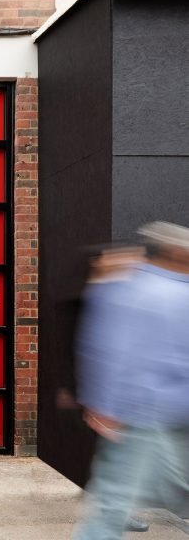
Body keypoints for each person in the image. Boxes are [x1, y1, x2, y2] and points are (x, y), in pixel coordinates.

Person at [73, 222, 189, 539]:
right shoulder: (150, 291)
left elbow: (103, 347)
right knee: (113, 504)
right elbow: (114, 349)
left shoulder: (131, 287)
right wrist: (105, 405)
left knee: (117, 498)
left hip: (151, 414)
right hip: (146, 415)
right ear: (174, 252)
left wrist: (101, 404)